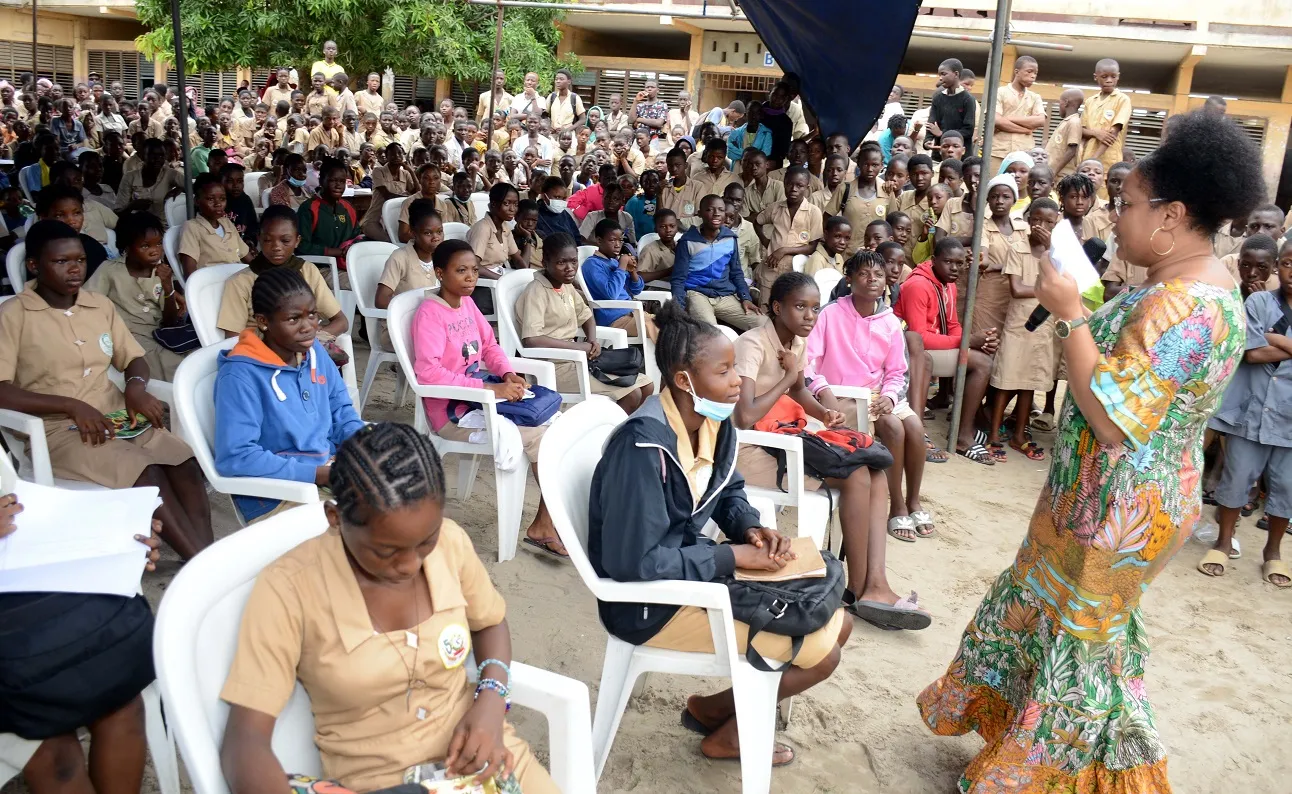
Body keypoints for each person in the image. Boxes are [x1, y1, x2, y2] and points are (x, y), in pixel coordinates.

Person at [918, 109, 1262, 792]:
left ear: (1172, 215)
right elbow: (1111, 352)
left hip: (1121, 510)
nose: (1117, 215)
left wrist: (1072, 314)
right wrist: (1080, 303)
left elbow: (1111, 418)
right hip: (1097, 500)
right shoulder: (1174, 286)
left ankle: (1043, 777)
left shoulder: (1189, 305)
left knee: (1081, 651)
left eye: (1128, 205)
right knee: (1059, 627)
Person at [219, 421, 561, 793]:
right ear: (335, 519)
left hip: (488, 756)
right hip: (381, 782)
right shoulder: (289, 588)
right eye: (386, 551)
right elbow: (245, 740)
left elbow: (490, 623)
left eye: (425, 542)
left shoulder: (450, 543)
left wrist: (492, 702)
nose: (411, 564)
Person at [589, 299, 851, 767]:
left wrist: (750, 529)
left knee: (837, 617)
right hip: (648, 604)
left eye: (735, 369)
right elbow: (634, 564)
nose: (737, 382)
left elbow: (728, 489)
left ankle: (716, 711)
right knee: (823, 652)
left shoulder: (711, 421)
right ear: (684, 380)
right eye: (725, 371)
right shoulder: (642, 448)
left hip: (691, 571)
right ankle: (729, 738)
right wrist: (731, 559)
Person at [0, 220, 212, 557]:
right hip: (58, 431)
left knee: (183, 460)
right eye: (60, 261)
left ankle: (205, 554)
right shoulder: (13, 315)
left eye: (80, 260)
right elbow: (2, 390)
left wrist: (137, 388)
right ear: (33, 265)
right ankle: (201, 561)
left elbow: (134, 359)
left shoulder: (98, 305)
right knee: (146, 469)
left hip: (117, 416)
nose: (74, 269)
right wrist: (70, 405)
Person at [735, 267, 932, 626]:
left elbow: (799, 392)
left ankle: (875, 583)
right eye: (800, 308)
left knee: (873, 471)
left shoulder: (795, 341)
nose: (810, 316)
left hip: (786, 438)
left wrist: (823, 412)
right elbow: (745, 415)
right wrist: (791, 376)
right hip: (754, 450)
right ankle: (860, 588)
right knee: (856, 475)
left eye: (814, 308)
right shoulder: (752, 343)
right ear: (777, 308)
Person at [0, 495, 163, 794]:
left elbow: (23, 509)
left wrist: (117, 534)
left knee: (123, 701)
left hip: (22, 586)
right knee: (53, 754)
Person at [213, 266, 363, 522]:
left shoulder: (313, 351)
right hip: (275, 496)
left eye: (313, 315)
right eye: (293, 319)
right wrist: (317, 474)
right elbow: (236, 456)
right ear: (263, 321)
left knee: (405, 499)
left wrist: (360, 445)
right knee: (376, 532)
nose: (308, 327)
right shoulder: (240, 375)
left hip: (326, 469)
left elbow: (340, 409)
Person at [1199, 242, 1292, 586]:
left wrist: (1275, 340)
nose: (1291, 271)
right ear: (1278, 267)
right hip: (1251, 409)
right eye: (1286, 263)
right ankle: (1223, 542)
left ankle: (1273, 552)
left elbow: (1263, 344)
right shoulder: (1258, 302)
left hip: (1289, 418)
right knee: (1236, 478)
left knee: (1286, 486)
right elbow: (1251, 353)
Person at [517, 232, 653, 411]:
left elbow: (586, 315)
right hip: (555, 366)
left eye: (573, 262)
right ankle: (612, 436)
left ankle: (629, 429)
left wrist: (592, 340)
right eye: (561, 262)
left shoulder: (565, 286)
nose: (569, 268)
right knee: (631, 394)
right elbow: (531, 339)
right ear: (545, 263)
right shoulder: (536, 291)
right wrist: (579, 347)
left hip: (581, 359)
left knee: (647, 386)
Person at [895, 238, 998, 464]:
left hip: (935, 347)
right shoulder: (918, 285)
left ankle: (965, 430)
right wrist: (967, 341)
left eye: (959, 263)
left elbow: (952, 325)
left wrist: (971, 342)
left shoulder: (947, 284)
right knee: (980, 363)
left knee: (985, 357)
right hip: (911, 353)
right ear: (933, 261)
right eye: (948, 262)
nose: (954, 268)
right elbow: (918, 338)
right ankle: (959, 436)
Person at [986, 198, 1062, 460]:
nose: (1041, 225)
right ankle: (994, 433)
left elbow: (1067, 280)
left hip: (1044, 326)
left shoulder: (1057, 252)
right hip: (1019, 324)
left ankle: (1019, 434)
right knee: (1007, 379)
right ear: (1029, 220)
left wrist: (1052, 249)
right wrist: (1046, 291)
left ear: (1057, 224)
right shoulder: (1017, 247)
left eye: (1048, 222)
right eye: (1037, 220)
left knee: (1029, 383)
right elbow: (1017, 289)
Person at [217, 206, 348, 343]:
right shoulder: (240, 282)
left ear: (297, 241)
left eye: (285, 241)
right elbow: (232, 340)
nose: (276, 247)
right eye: (268, 240)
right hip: (261, 354)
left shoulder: (308, 271)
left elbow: (341, 322)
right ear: (259, 239)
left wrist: (312, 339)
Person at [84, 211, 186, 381]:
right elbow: (87, 304)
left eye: (159, 244)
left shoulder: (161, 273)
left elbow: (170, 321)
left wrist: (168, 288)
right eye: (145, 246)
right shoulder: (110, 271)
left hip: (157, 334)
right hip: (126, 337)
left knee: (188, 360)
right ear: (127, 247)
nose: (155, 251)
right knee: (166, 365)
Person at [673, 195, 761, 331]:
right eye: (710, 209)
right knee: (711, 333)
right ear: (700, 213)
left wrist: (745, 297)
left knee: (763, 323)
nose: (716, 214)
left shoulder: (730, 239)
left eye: (721, 209)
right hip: (697, 294)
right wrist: (678, 306)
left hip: (725, 295)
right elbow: (679, 278)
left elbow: (737, 273)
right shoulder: (687, 241)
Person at [374, 199, 443, 348]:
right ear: (413, 233)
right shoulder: (400, 258)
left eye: (439, 231)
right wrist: (417, 311)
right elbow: (381, 300)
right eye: (427, 233)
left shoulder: (443, 257)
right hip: (401, 327)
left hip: (434, 324)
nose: (435, 237)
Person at [973, 174, 1030, 348]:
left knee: (1012, 347)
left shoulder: (1023, 228)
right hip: (989, 295)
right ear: (988, 200)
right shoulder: (982, 226)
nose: (1000, 201)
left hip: (1018, 296)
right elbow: (982, 262)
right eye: (995, 196)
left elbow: (1032, 260)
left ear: (1014, 200)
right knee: (988, 343)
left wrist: (999, 266)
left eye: (1006, 196)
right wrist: (1013, 268)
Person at [753, 166, 822, 310]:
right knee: (766, 310)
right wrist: (766, 242)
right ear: (784, 183)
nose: (794, 189)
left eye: (799, 185)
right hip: (771, 269)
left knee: (789, 310)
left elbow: (812, 246)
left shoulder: (813, 212)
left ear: (807, 187)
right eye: (790, 184)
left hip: (794, 272)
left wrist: (783, 250)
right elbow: (757, 222)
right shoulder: (775, 208)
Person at [581, 218, 658, 342]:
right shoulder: (592, 265)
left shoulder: (613, 261)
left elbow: (637, 289)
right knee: (666, 331)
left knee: (674, 323)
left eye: (620, 240)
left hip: (633, 313)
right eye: (612, 240)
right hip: (615, 319)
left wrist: (632, 271)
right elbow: (611, 294)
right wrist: (621, 266)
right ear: (599, 241)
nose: (618, 245)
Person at [177, 173, 252, 279]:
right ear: (197, 201)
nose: (218, 204)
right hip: (213, 284)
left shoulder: (227, 223)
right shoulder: (192, 227)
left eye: (222, 199)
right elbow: (190, 274)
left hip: (238, 280)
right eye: (211, 199)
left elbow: (247, 257)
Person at [32, 184, 109, 279]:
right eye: (59, 215)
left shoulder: (93, 247)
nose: (71, 221)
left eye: (77, 213)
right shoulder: (40, 252)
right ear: (43, 217)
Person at [990, 56, 1046, 175]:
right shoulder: (1000, 92)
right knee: (994, 186)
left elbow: (1040, 120)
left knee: (1022, 189)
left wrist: (1008, 118)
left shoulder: (1035, 97)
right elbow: (997, 121)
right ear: (1017, 72)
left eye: (1035, 73)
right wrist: (1026, 130)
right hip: (998, 151)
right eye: (1029, 71)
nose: (1033, 76)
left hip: (1025, 153)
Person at [297, 160, 362, 261]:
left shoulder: (348, 208)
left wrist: (352, 247)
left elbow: (356, 236)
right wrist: (337, 252)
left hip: (348, 263)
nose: (338, 186)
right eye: (333, 180)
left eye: (342, 181)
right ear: (321, 180)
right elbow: (301, 245)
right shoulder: (308, 209)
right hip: (321, 266)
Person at [115, 137, 184, 223]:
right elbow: (117, 212)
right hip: (138, 227)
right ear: (143, 156)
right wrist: (131, 206)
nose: (157, 159)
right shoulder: (130, 177)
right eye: (152, 155)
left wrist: (181, 189)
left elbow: (194, 188)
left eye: (161, 155)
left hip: (163, 227)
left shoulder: (170, 174)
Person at [1080, 58, 1132, 172]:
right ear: (1096, 77)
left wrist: (1093, 160)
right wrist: (1096, 133)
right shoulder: (1090, 101)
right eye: (1104, 76)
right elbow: (1082, 130)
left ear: (1118, 76)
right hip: (1086, 159)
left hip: (1108, 162)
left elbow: (1112, 134)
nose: (1109, 80)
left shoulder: (1122, 100)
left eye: (1113, 76)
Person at [926, 58, 975, 151]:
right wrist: (927, 141)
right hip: (939, 153)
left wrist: (942, 134)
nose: (940, 78)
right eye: (939, 75)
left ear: (956, 74)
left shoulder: (968, 99)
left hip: (960, 157)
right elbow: (931, 124)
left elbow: (968, 131)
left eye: (944, 74)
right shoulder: (938, 98)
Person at [1046, 88, 1085, 178]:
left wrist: (1054, 172)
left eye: (1060, 103)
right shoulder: (1066, 122)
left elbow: (1071, 151)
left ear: (1066, 102)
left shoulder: (1074, 122)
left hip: (1060, 176)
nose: (1059, 105)